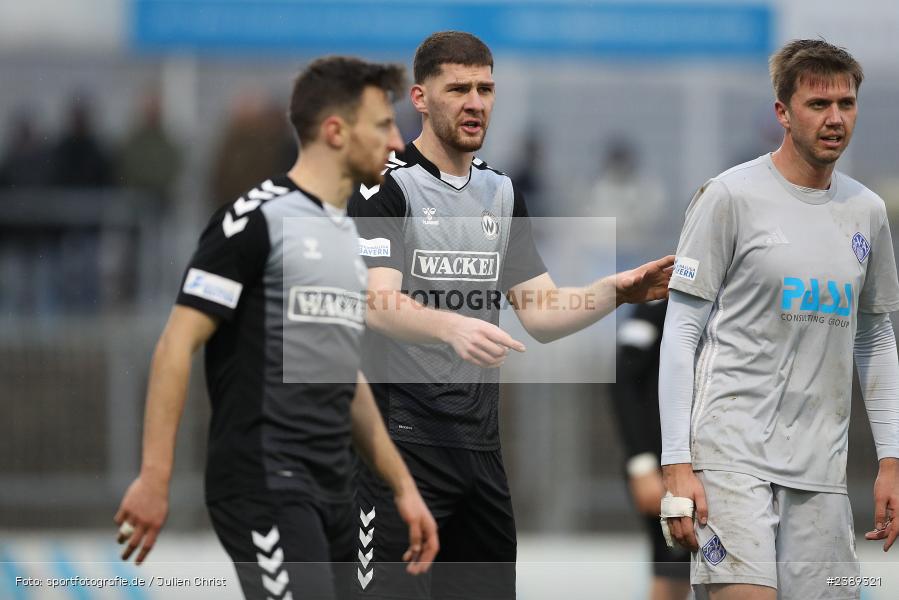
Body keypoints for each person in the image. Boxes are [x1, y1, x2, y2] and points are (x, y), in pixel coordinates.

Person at [348, 31, 674, 599]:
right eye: (459, 89)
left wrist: (612, 292)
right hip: (401, 456)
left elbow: (541, 312)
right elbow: (379, 302)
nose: (476, 102)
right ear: (420, 98)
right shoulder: (384, 184)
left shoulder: (501, 193)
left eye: (486, 89)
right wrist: (451, 325)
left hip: (481, 459)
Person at [114, 57, 438, 600]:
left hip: (332, 489)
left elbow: (343, 374)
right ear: (335, 131)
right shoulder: (255, 218)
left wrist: (402, 487)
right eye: (383, 125)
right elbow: (177, 343)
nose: (399, 143)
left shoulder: (344, 235)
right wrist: (154, 475)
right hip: (264, 480)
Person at [659, 40, 899, 600]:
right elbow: (682, 332)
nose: (835, 118)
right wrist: (678, 465)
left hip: (822, 477)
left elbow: (876, 336)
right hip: (731, 464)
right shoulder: (728, 197)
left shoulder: (867, 211)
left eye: (847, 102)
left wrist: (891, 458)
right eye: (818, 104)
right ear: (783, 113)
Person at [613, 299, 690, 600]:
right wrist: (642, 463)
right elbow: (623, 375)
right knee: (673, 575)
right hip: (670, 466)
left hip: (727, 458)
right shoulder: (668, 297)